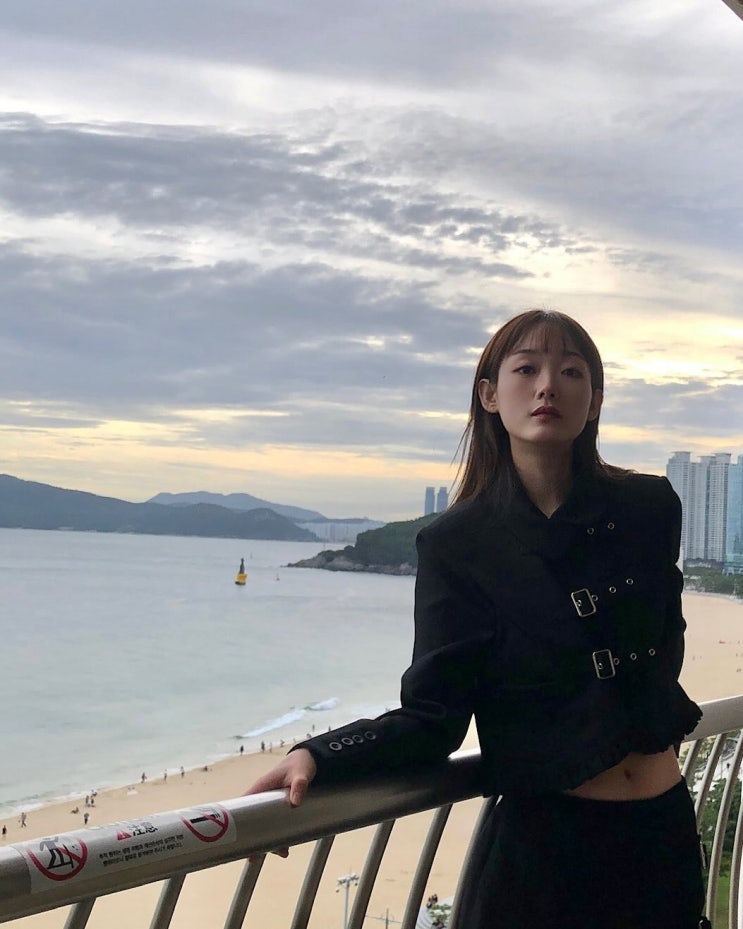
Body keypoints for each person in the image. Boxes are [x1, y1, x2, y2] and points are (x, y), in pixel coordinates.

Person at [246, 310, 707, 929]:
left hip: (661, 832)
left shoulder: (649, 507)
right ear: (489, 395)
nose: (548, 386)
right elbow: (434, 717)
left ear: (595, 401)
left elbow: (663, 651)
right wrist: (321, 755)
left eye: (572, 372)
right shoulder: (459, 543)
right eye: (527, 369)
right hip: (544, 852)